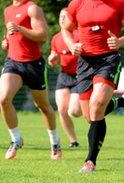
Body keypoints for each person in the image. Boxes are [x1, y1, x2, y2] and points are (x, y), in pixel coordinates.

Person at [61, 0, 124, 173]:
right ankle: (120, 102)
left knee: (98, 103)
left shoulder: (118, 4)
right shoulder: (76, 4)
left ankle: (90, 161)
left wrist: (119, 42)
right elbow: (65, 29)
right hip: (85, 63)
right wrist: (72, 45)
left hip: (108, 59)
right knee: (90, 116)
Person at [0, 0, 62, 160]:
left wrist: (20, 29)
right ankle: (16, 140)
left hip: (33, 64)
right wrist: (5, 41)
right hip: (13, 62)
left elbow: (42, 36)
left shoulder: (32, 8)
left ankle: (55, 143)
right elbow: (10, 33)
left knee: (43, 106)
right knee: (4, 99)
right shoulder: (7, 10)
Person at [48, 8, 82, 148]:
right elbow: (52, 60)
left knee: (74, 111)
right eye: (60, 16)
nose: (62, 19)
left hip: (81, 75)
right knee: (61, 109)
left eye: (65, 16)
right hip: (64, 75)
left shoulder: (79, 34)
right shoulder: (56, 38)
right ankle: (73, 141)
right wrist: (52, 59)